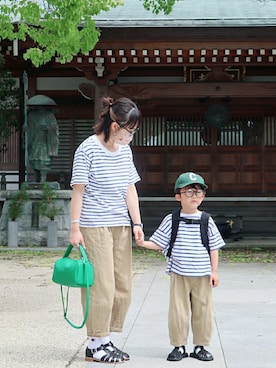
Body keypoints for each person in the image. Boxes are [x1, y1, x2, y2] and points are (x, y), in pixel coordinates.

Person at [70, 96, 144, 363]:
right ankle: (94, 344)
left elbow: (129, 189)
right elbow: (78, 191)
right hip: (93, 225)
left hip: (120, 225)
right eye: (130, 132)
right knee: (101, 284)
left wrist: (137, 223)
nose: (131, 138)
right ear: (115, 127)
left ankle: (106, 340)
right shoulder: (87, 149)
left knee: (122, 284)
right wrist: (74, 229)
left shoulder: (125, 152)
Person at [136, 172, 225, 362]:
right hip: (179, 274)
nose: (194, 196)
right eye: (189, 192)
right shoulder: (172, 219)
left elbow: (214, 247)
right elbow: (159, 242)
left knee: (204, 311)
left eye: (199, 192)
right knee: (178, 311)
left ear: (203, 196)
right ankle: (179, 346)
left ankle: (200, 346)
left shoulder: (206, 220)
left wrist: (214, 271)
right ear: (178, 196)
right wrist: (143, 243)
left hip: (203, 275)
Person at [27, 106, 59, 182]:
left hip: (45, 140)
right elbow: (28, 126)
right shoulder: (31, 115)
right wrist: (26, 128)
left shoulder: (49, 115)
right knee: (34, 159)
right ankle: (36, 177)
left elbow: (55, 127)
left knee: (44, 160)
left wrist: (48, 128)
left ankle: (43, 178)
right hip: (35, 139)